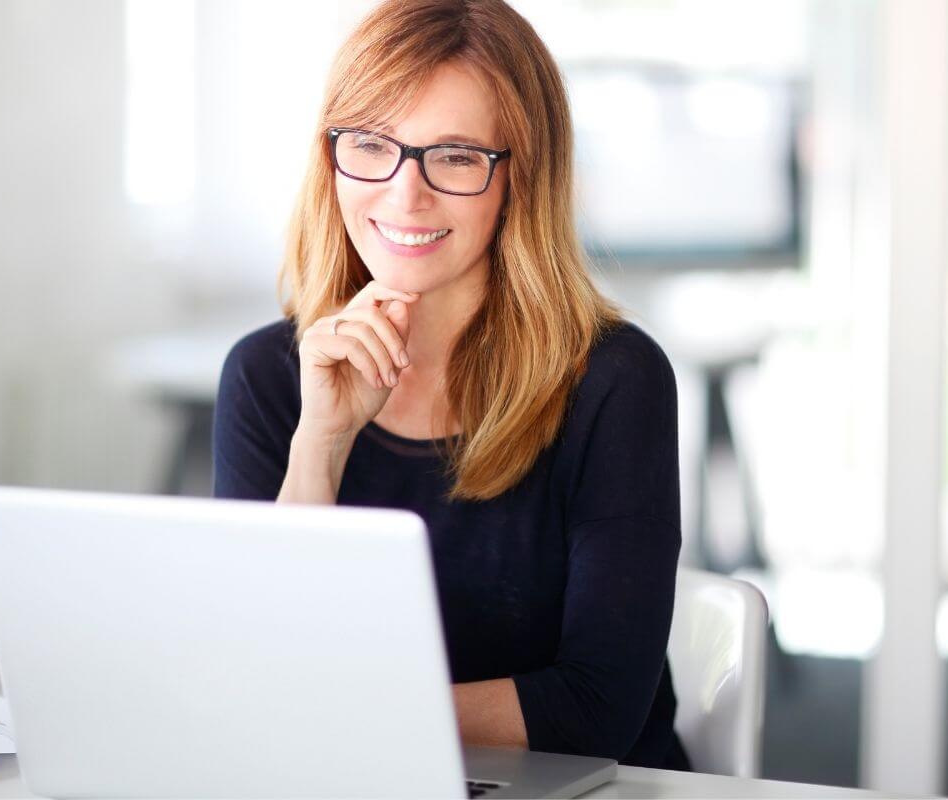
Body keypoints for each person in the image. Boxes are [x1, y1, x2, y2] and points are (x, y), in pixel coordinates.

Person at [212, 0, 689, 770]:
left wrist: (341, 711)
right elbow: (250, 672)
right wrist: (321, 446)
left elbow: (596, 711)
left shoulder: (614, 384)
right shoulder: (270, 377)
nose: (406, 194)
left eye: (457, 156)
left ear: (520, 178)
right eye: (371, 145)